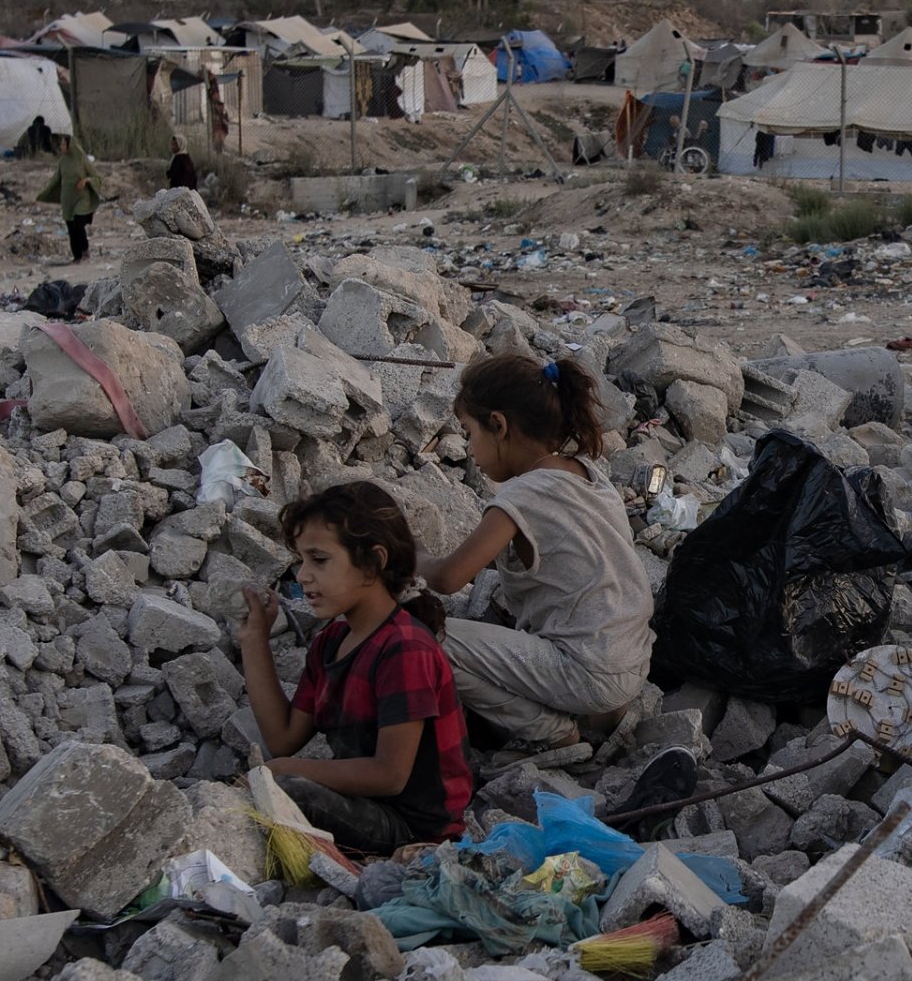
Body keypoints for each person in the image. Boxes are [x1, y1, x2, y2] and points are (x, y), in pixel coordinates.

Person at [426, 352, 654, 751]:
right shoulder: (588, 474)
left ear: (498, 425)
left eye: (469, 433)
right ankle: (597, 711)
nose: (469, 450)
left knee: (427, 641)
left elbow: (449, 578)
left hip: (589, 672)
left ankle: (546, 730)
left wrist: (407, 555)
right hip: (632, 662)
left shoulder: (521, 494)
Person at [238, 482, 473, 853]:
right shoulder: (330, 642)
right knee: (276, 786)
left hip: (415, 829)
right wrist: (254, 640)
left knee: (287, 790)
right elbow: (282, 738)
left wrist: (286, 770)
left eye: (319, 559)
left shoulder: (405, 648)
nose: (302, 575)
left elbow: (390, 775)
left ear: (372, 562)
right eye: (301, 560)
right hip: (367, 806)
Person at [35, 130, 100, 262]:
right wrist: (43, 194)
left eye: (63, 145)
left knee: (78, 223)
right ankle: (76, 256)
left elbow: (96, 177)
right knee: (71, 228)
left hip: (82, 199)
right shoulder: (63, 162)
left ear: (71, 146)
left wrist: (86, 181)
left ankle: (84, 249)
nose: (61, 147)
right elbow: (55, 180)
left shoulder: (82, 160)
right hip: (68, 200)